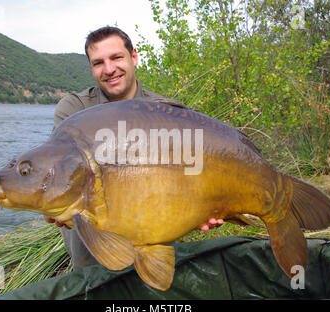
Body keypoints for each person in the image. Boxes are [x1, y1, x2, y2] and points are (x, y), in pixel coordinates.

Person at [48, 26, 223, 271]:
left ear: (134, 57)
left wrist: (208, 207)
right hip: (96, 241)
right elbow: (57, 171)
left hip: (155, 226)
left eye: (117, 57)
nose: (109, 69)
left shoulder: (166, 113)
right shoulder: (73, 110)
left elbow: (192, 175)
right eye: (98, 63)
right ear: (91, 68)